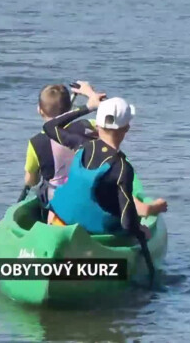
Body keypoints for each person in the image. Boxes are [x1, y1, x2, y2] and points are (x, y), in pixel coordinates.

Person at [43, 82, 168, 240]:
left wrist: (88, 107)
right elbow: (127, 222)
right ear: (127, 128)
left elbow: (49, 127)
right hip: (92, 235)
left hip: (59, 221)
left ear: (98, 125)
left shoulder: (81, 145)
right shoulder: (122, 168)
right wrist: (140, 231)